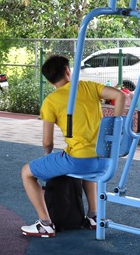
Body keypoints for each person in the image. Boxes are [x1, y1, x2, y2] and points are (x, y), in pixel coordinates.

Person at [20, 54, 126, 238]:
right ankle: (94, 215)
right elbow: (119, 95)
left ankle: (45, 223)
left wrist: (47, 154)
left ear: (49, 80)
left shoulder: (51, 101)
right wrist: (115, 127)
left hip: (78, 160)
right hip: (105, 160)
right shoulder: (89, 86)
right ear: (68, 71)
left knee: (26, 172)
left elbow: (47, 142)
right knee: (87, 165)